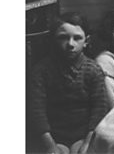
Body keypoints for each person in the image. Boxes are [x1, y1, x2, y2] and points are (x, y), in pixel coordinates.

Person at [28, 12, 107, 154]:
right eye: (63, 38)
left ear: (86, 41)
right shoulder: (41, 71)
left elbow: (99, 110)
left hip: (83, 135)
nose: (70, 44)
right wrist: (50, 145)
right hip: (53, 136)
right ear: (53, 40)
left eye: (77, 38)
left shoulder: (93, 70)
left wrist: (87, 142)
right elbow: (36, 111)